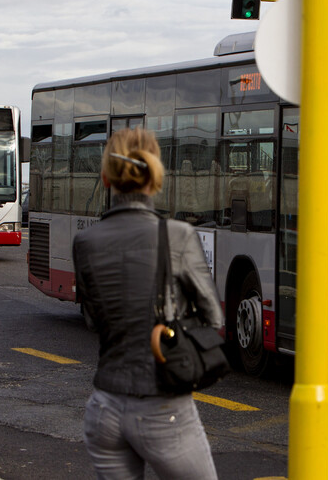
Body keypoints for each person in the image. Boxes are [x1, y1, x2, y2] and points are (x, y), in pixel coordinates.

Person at [73, 127, 222, 480]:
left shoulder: (85, 241)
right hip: (163, 406)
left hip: (105, 407)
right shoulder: (177, 235)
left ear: (105, 178)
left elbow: (94, 321)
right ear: (156, 176)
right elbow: (213, 315)